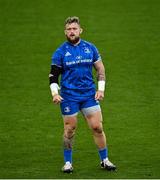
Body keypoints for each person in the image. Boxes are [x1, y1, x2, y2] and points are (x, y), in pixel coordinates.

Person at [49, 16, 116, 173]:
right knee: (70, 129)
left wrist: (101, 89)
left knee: (97, 127)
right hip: (69, 97)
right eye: (69, 29)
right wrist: (54, 93)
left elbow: (100, 69)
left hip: (88, 95)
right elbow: (53, 75)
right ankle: (67, 163)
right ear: (65, 32)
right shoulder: (60, 52)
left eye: (74, 29)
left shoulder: (90, 48)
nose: (72, 32)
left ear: (80, 30)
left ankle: (104, 160)